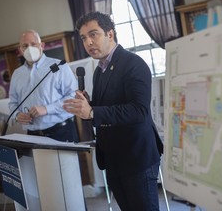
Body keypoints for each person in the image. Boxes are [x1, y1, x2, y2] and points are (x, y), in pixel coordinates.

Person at [63, 11, 164, 211]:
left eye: (94, 34)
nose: (89, 42)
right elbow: (106, 109)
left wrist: (93, 112)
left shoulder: (133, 64)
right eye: (84, 38)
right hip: (113, 158)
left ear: (110, 34)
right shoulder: (99, 70)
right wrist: (88, 107)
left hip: (136, 157)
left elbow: (139, 111)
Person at [9, 29, 78, 142]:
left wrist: (47, 109)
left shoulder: (59, 66)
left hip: (61, 131)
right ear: (20, 50)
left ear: (42, 45)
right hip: (32, 136)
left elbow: (73, 96)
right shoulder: (17, 74)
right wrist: (17, 115)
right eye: (25, 46)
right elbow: (13, 102)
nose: (29, 49)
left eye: (33, 44)